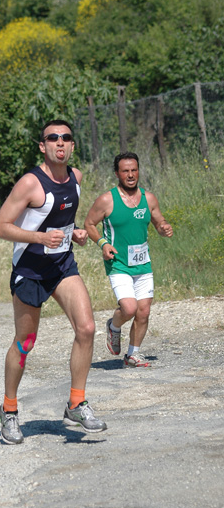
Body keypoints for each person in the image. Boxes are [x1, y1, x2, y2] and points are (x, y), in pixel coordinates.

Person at [0, 120, 107, 445]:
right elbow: (1, 226)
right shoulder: (31, 183)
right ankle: (10, 409)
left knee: (86, 328)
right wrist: (39, 237)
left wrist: (78, 234)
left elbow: (64, 222)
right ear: (42, 146)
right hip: (30, 269)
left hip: (62, 265)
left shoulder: (77, 178)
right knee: (25, 342)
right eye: (53, 138)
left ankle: (76, 402)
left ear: (72, 145)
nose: (61, 143)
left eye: (66, 138)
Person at [84, 152, 173, 368]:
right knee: (130, 308)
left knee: (144, 311)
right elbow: (89, 224)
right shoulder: (107, 200)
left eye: (134, 170)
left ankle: (133, 355)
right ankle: (114, 327)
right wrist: (103, 244)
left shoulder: (148, 198)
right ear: (117, 173)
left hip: (143, 263)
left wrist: (163, 228)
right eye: (125, 171)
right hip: (119, 263)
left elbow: (159, 221)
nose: (131, 175)